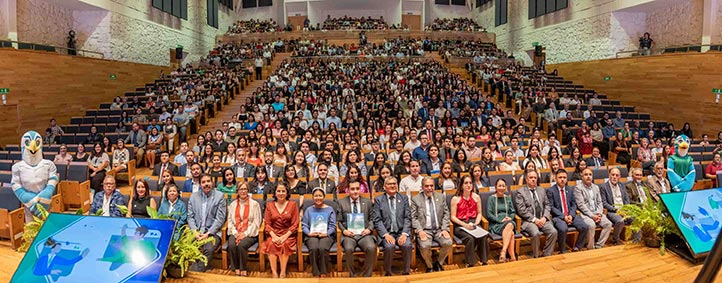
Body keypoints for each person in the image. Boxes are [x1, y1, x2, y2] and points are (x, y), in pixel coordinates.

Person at [411, 177, 452, 273]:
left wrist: (445, 229)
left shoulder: (440, 197)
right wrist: (420, 231)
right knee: (425, 246)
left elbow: (446, 213)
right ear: (422, 187)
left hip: (439, 229)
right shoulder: (416, 199)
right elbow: (413, 217)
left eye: (431, 186)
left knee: (448, 242)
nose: (429, 188)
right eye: (426, 186)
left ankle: (439, 263)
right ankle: (429, 266)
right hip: (425, 230)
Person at [373, 177, 412, 276]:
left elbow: (408, 218)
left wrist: (404, 234)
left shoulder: (403, 198)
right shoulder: (379, 200)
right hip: (387, 232)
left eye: (394, 183)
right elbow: (377, 220)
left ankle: (406, 271)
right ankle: (388, 272)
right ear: (384, 187)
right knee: (389, 246)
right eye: (389, 184)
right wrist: (385, 234)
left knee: (407, 245)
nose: (392, 186)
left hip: (401, 232)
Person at [513, 170, 557, 258]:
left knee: (553, 232)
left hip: (542, 219)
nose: (533, 179)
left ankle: (546, 254)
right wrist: (535, 220)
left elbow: (547, 205)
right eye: (531, 178)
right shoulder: (520, 192)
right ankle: (536, 255)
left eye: (535, 178)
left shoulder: (541, 190)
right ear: (526, 179)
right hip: (529, 221)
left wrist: (545, 217)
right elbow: (521, 210)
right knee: (535, 233)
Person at [187, 174, 226, 272]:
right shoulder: (193, 197)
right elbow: (190, 217)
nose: (206, 184)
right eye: (203, 182)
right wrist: (195, 231)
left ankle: (196, 273)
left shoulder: (219, 196)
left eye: (208, 181)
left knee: (208, 249)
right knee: (188, 246)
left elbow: (220, 219)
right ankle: (199, 268)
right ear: (200, 184)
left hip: (213, 232)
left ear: (212, 183)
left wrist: (208, 234)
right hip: (197, 232)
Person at [337, 180, 376, 277]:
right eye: (352, 189)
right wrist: (344, 230)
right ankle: (352, 274)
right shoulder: (341, 202)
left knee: (371, 248)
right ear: (348, 190)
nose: (355, 191)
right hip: (349, 235)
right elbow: (339, 221)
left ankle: (367, 274)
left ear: (360, 190)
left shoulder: (367, 202)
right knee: (348, 248)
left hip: (364, 234)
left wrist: (369, 229)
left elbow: (372, 219)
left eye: (357, 189)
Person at [261, 183, 299, 279]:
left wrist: (284, 237)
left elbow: (295, 224)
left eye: (283, 191)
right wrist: (274, 236)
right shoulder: (270, 205)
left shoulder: (293, 204)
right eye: (278, 191)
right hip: (273, 233)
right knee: (271, 244)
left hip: (288, 234)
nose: (281, 193)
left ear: (287, 193)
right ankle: (274, 273)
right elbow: (267, 224)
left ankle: (282, 273)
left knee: (284, 244)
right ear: (275, 193)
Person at [547, 169, 589, 253]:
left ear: (567, 179)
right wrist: (564, 217)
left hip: (571, 215)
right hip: (558, 217)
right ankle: (562, 249)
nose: (562, 179)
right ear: (556, 179)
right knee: (563, 228)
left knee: (585, 227)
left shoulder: (570, 189)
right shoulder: (551, 191)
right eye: (560, 177)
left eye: (564, 177)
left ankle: (577, 247)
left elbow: (574, 204)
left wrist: (571, 215)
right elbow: (551, 207)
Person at [450, 175, 488, 267]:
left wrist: (476, 223)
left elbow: (479, 213)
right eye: (466, 183)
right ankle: (470, 262)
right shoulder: (455, 199)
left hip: (473, 222)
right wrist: (464, 225)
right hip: (460, 225)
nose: (468, 185)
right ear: (462, 185)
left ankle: (484, 260)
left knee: (483, 236)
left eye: (470, 183)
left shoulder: (476, 197)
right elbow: (453, 217)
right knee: (470, 239)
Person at [226, 183, 262, 277]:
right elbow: (229, 221)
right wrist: (235, 232)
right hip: (236, 232)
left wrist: (245, 233)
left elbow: (256, 222)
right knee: (231, 245)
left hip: (250, 233)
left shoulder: (255, 204)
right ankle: (236, 267)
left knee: (242, 245)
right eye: (241, 189)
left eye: (245, 189)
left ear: (248, 190)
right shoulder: (233, 205)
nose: (243, 191)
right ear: (237, 191)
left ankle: (243, 268)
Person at [302, 188, 336, 277]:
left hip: (326, 235)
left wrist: (327, 233)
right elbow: (304, 225)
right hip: (311, 235)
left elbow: (333, 225)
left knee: (322, 248)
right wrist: (308, 233)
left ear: (324, 197)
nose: (318, 198)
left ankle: (323, 271)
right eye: (316, 196)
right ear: (313, 197)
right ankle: (316, 271)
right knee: (313, 248)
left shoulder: (330, 209)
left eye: (320, 196)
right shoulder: (309, 210)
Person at [574, 168, 613, 249]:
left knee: (608, 224)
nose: (588, 177)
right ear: (582, 176)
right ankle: (590, 247)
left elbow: (600, 202)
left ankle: (599, 245)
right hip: (585, 214)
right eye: (586, 175)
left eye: (590, 175)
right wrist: (592, 216)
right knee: (591, 225)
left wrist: (599, 213)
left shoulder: (596, 187)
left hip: (597, 213)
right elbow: (581, 205)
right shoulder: (578, 188)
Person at [598, 167, 630, 244]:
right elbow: (604, 203)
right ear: (609, 175)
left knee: (637, 218)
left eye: (617, 175)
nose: (614, 177)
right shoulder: (603, 187)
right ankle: (615, 239)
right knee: (620, 221)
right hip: (612, 211)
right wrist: (617, 210)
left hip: (624, 210)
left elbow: (626, 199)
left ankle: (637, 239)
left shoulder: (622, 185)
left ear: (620, 177)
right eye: (613, 175)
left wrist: (626, 209)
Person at [487, 178, 516, 262]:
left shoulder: (508, 198)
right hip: (496, 224)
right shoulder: (491, 199)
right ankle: (512, 257)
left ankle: (503, 252)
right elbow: (489, 214)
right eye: (499, 186)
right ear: (496, 187)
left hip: (508, 221)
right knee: (511, 233)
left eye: (503, 186)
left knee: (509, 225)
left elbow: (513, 211)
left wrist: (510, 217)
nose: (501, 188)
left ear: (505, 188)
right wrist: (500, 221)